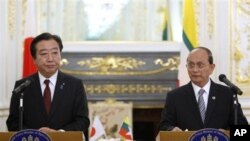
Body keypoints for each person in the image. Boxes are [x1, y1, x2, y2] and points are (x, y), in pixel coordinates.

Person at [6, 32, 90, 138]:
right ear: (34, 59)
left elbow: (82, 120)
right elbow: (13, 123)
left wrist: (59, 133)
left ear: (60, 55)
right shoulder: (22, 86)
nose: (50, 58)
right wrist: (37, 135)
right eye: (44, 54)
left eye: (55, 52)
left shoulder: (75, 85)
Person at [158, 47, 248, 131]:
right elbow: (163, 126)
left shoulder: (227, 94)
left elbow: (243, 130)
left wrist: (227, 134)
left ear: (212, 68)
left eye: (200, 65)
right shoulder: (175, 96)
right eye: (191, 65)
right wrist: (171, 129)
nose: (195, 70)